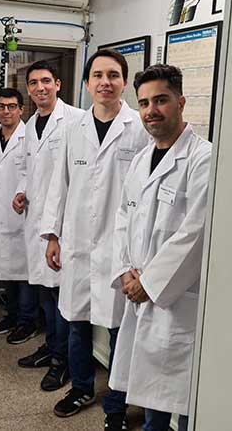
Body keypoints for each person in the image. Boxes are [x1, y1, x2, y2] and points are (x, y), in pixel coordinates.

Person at [40, 49, 150, 429]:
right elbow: (59, 185)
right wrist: (53, 236)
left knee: (120, 328)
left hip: (121, 248)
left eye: (113, 75)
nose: (106, 82)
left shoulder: (139, 129)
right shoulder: (73, 129)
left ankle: (116, 404)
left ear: (124, 82)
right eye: (98, 75)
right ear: (87, 84)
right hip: (78, 242)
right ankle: (82, 387)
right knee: (77, 323)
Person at [109, 64, 211, 431]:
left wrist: (149, 284)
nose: (151, 110)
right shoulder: (141, 160)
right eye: (144, 103)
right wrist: (125, 270)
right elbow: (123, 217)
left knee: (183, 403)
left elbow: (196, 232)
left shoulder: (203, 159)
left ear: (181, 102)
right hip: (140, 292)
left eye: (161, 100)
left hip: (175, 299)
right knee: (152, 395)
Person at [12, 60, 84, 392]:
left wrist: (58, 227)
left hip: (63, 225)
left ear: (58, 84)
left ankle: (61, 361)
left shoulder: (76, 120)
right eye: (33, 83)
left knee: (60, 297)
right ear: (28, 89)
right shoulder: (30, 125)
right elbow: (28, 170)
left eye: (45, 81)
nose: (40, 87)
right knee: (45, 292)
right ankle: (51, 347)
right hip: (37, 221)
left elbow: (77, 177)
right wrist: (21, 192)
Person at [0, 88, 37, 345]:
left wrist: (22, 192)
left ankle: (28, 322)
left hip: (24, 213)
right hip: (0, 215)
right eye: (1, 106)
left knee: (25, 273)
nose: (6, 111)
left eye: (12, 106)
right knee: (7, 270)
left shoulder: (30, 137)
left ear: (21, 110)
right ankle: (12, 315)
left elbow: (34, 172)